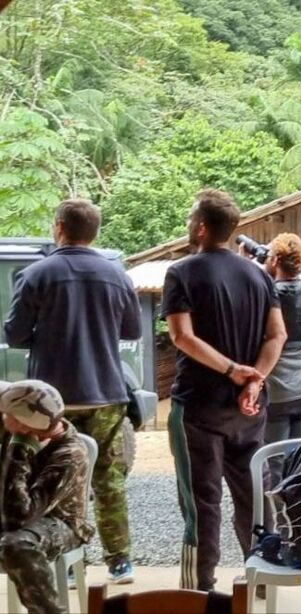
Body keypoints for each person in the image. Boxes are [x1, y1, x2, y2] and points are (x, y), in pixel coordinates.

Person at [3, 199, 141, 584]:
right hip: (106, 393)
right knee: (108, 479)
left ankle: (65, 565)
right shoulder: (117, 275)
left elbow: (14, 334)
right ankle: (120, 562)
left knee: (49, 479)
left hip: (51, 401)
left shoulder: (36, 275)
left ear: (59, 227)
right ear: (92, 231)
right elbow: (132, 331)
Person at [163, 189, 286, 591]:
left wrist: (234, 370)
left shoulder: (181, 272)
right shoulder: (260, 275)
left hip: (197, 407)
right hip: (249, 409)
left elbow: (182, 336)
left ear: (200, 227)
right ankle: (261, 577)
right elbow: (277, 334)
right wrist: (255, 379)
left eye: (189, 218)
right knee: (254, 494)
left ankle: (198, 589)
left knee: (201, 502)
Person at [0, 380, 93, 614]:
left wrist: (19, 449)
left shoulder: (69, 455)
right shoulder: (23, 425)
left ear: (23, 426)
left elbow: (18, 517)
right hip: (17, 512)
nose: (3, 416)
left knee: (16, 544)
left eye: (8, 414)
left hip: (60, 522)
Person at [253, 233, 301, 485]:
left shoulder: (268, 293)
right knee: (298, 456)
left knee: (275, 458)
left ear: (275, 260)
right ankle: (299, 515)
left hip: (278, 388)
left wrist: (258, 268)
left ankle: (278, 517)